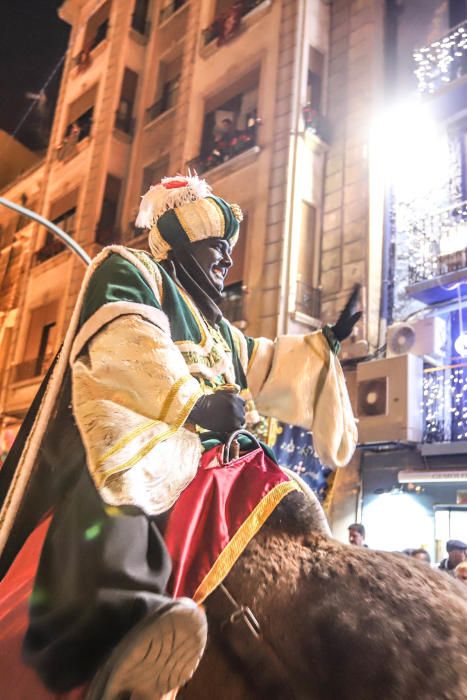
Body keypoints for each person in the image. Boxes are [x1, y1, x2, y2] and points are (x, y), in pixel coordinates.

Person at [0, 174, 360, 699]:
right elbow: (128, 341)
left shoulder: (220, 329)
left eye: (228, 251)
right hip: (141, 435)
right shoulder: (130, 268)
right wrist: (192, 404)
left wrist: (324, 346)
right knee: (128, 476)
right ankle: (112, 632)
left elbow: (268, 363)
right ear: (184, 245)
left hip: (223, 454)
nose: (226, 262)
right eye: (216, 248)